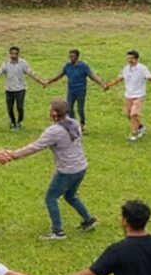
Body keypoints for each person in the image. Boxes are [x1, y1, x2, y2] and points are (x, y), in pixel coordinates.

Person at [8, 99, 98, 240]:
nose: (48, 111)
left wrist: (14, 154)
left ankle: (58, 232)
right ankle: (88, 220)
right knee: (70, 196)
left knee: (51, 197)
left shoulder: (54, 131)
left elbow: (35, 147)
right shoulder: (74, 123)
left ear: (55, 113)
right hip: (81, 167)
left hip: (67, 171)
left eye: (50, 109)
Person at [103, 50, 151, 142]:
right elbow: (119, 78)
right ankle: (140, 127)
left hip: (139, 95)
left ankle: (134, 134)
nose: (129, 60)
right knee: (128, 114)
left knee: (134, 114)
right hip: (128, 95)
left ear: (136, 59)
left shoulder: (142, 69)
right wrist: (108, 85)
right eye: (128, 58)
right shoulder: (126, 69)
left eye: (131, 58)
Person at [0, 46, 46, 131]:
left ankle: (19, 122)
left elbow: (31, 73)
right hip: (9, 90)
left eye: (15, 54)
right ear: (9, 54)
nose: (13, 55)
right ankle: (13, 123)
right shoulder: (6, 63)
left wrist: (41, 81)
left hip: (20, 89)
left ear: (18, 54)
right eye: (12, 53)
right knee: (10, 108)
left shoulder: (23, 63)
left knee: (20, 107)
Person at [44, 49, 106, 131]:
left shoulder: (83, 66)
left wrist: (102, 84)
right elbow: (59, 76)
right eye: (69, 56)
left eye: (72, 56)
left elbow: (92, 76)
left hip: (81, 90)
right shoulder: (67, 66)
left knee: (80, 108)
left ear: (77, 57)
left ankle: (82, 124)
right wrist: (48, 82)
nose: (70, 58)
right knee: (69, 108)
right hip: (71, 90)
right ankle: (73, 124)